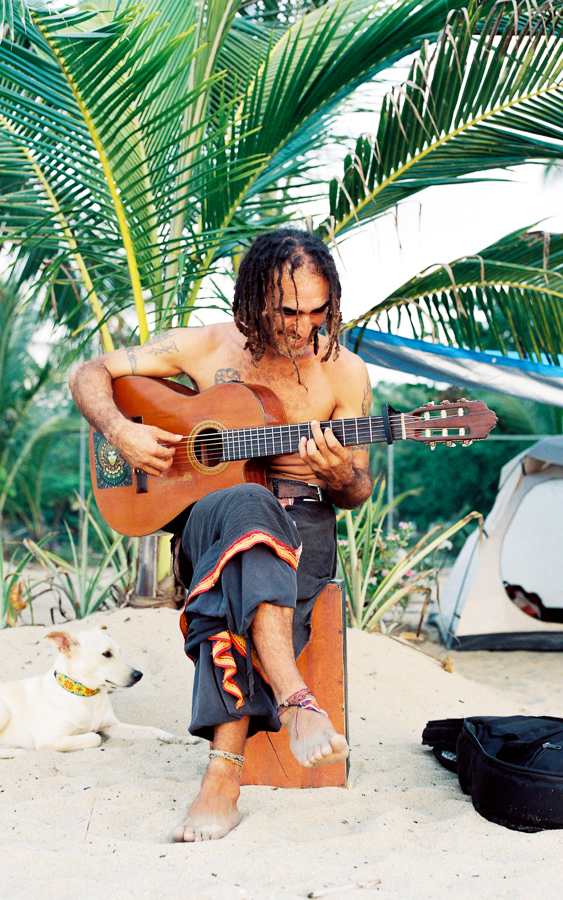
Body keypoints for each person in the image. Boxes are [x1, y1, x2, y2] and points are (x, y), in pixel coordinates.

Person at [68, 228, 373, 842]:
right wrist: (122, 433)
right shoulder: (206, 346)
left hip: (303, 520)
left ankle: (220, 781)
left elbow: (358, 488)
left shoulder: (346, 374)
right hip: (208, 518)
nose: (304, 326)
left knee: (234, 573)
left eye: (318, 311)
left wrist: (342, 474)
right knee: (245, 502)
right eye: (288, 311)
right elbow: (88, 372)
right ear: (256, 298)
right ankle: (295, 699)